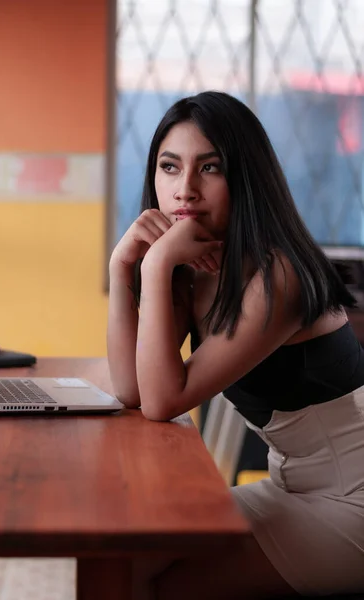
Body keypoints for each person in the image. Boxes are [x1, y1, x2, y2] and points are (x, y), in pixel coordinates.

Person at [107, 91, 364, 599]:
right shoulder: (195, 271)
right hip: (288, 490)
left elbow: (161, 403)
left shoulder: (279, 275)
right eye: (170, 167)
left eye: (211, 168)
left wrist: (154, 264)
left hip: (352, 502)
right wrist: (121, 268)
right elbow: (131, 388)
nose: (185, 190)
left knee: (170, 586)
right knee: (123, 560)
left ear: (244, 177)